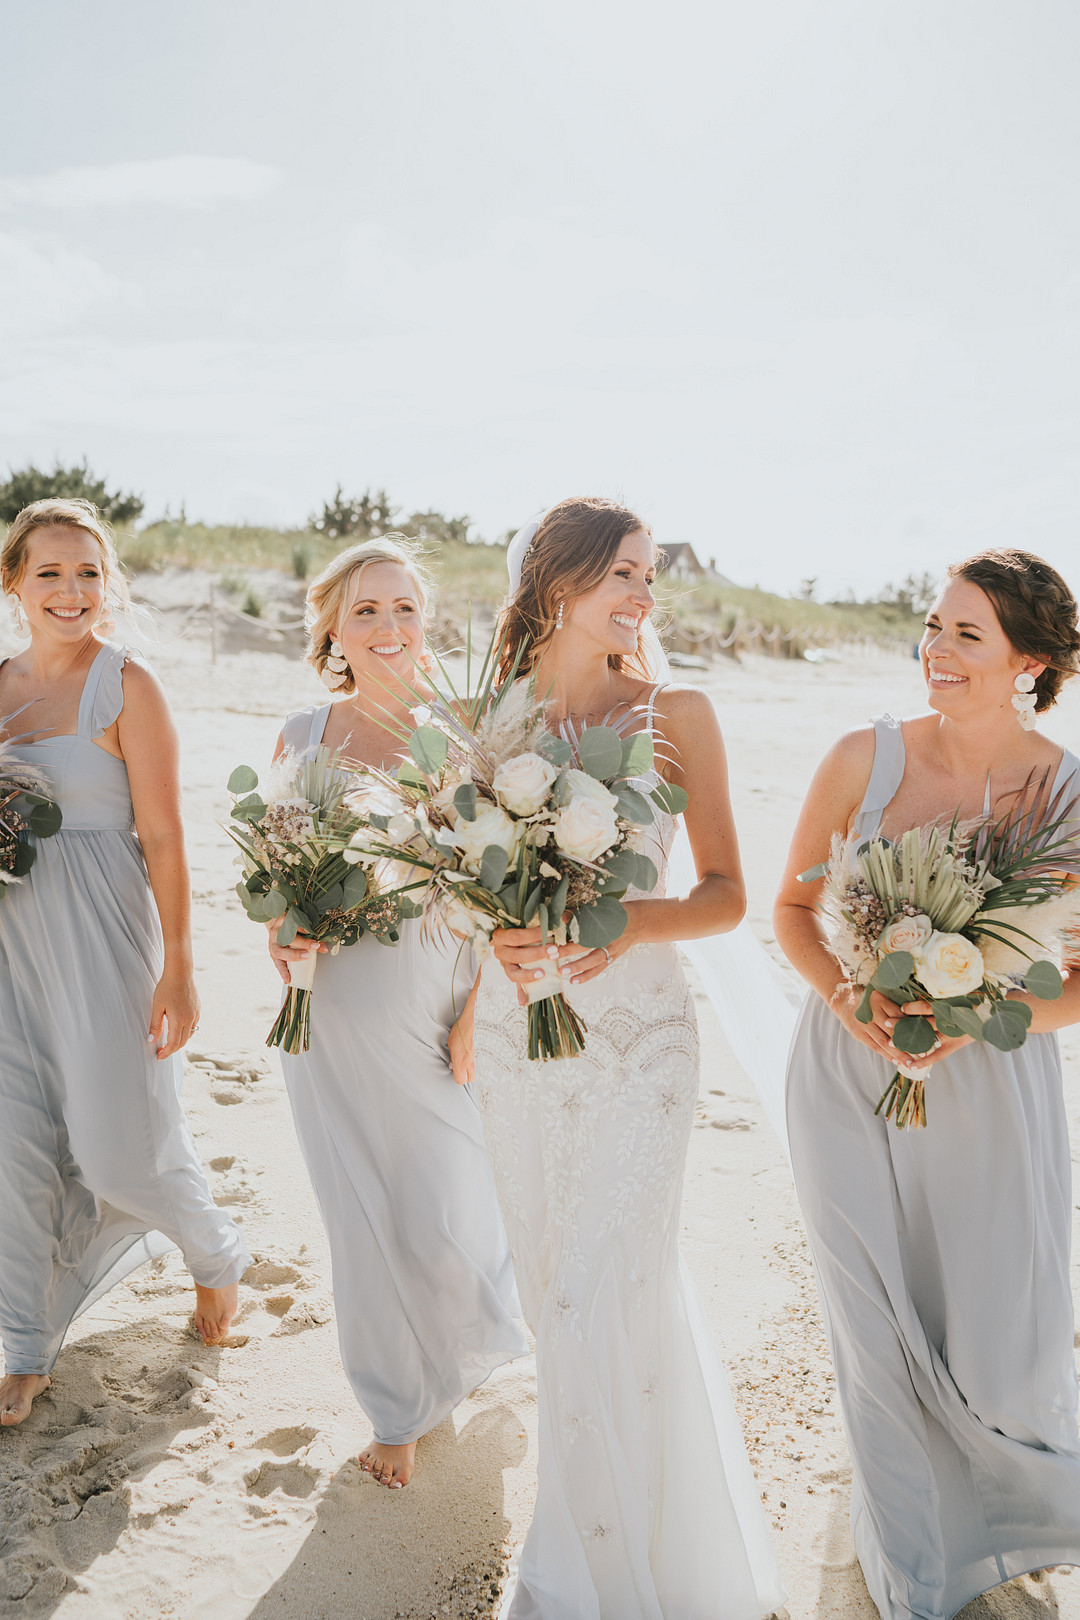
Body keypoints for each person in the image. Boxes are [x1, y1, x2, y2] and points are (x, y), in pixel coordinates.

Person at [455, 497, 785, 1618]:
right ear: (559, 589)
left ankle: (603, 1582)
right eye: (626, 576)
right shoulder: (484, 723)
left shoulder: (677, 711)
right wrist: (489, 936)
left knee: (606, 1286)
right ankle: (596, 1543)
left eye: (651, 578)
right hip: (517, 1038)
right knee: (558, 1295)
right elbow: (458, 895)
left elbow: (729, 896)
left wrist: (621, 924)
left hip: (642, 1040)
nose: (646, 597)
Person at [774, 548, 1080, 1619]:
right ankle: (915, 1579)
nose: (937, 652)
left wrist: (971, 1022)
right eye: (933, 627)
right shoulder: (866, 756)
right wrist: (856, 1003)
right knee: (875, 1339)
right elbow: (792, 911)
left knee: (1002, 1347)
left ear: (1028, 660)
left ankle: (1022, 1508)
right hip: (843, 1075)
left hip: (993, 1086)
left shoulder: (1070, 787)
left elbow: (1079, 985)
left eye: (967, 636)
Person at [267, 535, 525, 1489]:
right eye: (366, 610)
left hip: (439, 988)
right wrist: (282, 943)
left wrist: (479, 1013)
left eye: (404, 608)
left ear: (429, 621)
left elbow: (513, 890)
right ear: (332, 625)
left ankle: (463, 1344)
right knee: (359, 1208)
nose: (387, 627)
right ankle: (394, 1403)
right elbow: (274, 878)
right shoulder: (301, 737)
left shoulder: (468, 737)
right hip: (328, 1001)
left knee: (446, 1203)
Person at [0, 499, 250, 1426]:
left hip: (106, 934)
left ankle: (214, 1251)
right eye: (51, 574)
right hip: (10, 942)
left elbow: (165, 835)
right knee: (15, 1145)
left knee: (116, 1145)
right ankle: (25, 1342)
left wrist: (178, 968)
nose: (72, 592)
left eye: (90, 573)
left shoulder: (126, 684)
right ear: (14, 582)